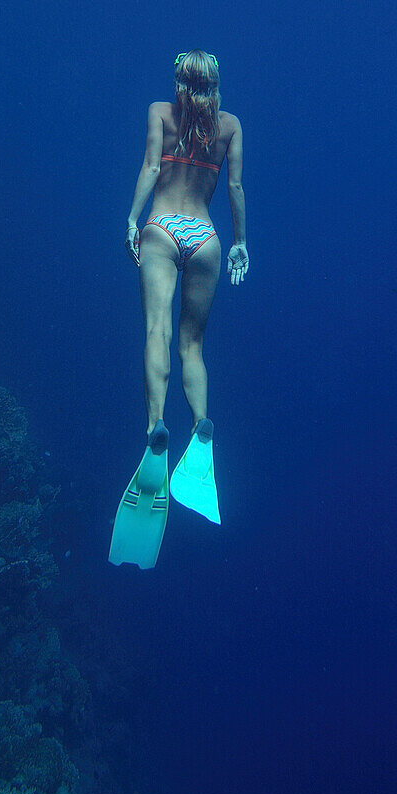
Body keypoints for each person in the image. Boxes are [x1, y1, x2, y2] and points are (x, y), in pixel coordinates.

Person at [109, 50, 248, 568]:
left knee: (157, 332)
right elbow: (233, 185)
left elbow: (151, 166)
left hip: (164, 227)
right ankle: (203, 425)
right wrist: (241, 242)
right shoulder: (230, 125)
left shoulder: (160, 113)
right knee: (194, 344)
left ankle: (155, 430)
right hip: (206, 235)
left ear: (178, 79)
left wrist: (131, 218)